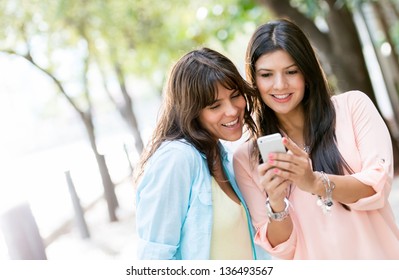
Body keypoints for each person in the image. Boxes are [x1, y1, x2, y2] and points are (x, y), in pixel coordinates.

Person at [233, 18, 399, 259]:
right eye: (266, 74)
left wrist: (313, 183)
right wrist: (277, 203)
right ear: (255, 81)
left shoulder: (353, 107)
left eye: (291, 71)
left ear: (307, 72)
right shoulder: (247, 158)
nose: (280, 85)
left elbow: (377, 186)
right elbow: (282, 249)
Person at [134, 47, 269, 260]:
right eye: (215, 106)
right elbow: (154, 257)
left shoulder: (222, 156)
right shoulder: (177, 159)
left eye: (235, 96)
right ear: (192, 111)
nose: (232, 110)